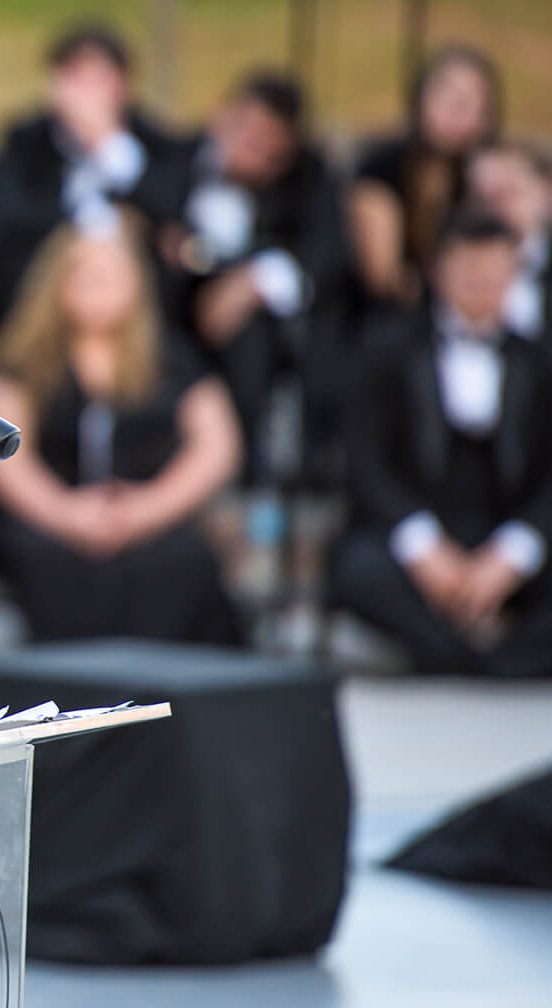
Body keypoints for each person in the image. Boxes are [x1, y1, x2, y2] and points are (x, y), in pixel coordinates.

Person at [0, 212, 243, 644]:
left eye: (109, 270)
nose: (96, 281)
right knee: (42, 558)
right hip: (49, 521)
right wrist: (65, 513)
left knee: (184, 560)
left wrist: (146, 509)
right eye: (83, 269)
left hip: (154, 518)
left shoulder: (173, 356)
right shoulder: (22, 362)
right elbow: (3, 453)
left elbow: (217, 446)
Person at [332, 211, 552, 677]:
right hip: (419, 528)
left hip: (504, 531)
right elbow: (366, 460)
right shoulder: (385, 348)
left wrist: (512, 554)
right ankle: (480, 655)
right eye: (468, 270)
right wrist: (424, 547)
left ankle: (476, 651)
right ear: (438, 270)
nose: (481, 284)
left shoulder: (539, 360)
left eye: (493, 273)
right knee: (359, 571)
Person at [157, 70, 351, 484]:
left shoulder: (308, 178)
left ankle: (253, 475)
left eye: (269, 150)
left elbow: (328, 256)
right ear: (222, 117)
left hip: (259, 337)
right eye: (247, 136)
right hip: (170, 318)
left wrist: (254, 283)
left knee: (256, 340)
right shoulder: (174, 161)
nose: (254, 154)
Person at [0, 21, 183, 345]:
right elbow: (12, 222)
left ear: (123, 85)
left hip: (142, 320)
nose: (86, 95)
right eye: (75, 78)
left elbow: (173, 212)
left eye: (97, 80)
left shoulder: (158, 146)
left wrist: (107, 145)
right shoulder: (21, 143)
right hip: (36, 309)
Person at [350, 44, 501, 310]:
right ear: (421, 99)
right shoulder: (382, 166)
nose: (456, 113)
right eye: (448, 98)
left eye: (469, 103)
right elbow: (384, 277)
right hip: (387, 318)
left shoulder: (484, 174)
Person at [466, 139, 551, 342]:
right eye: (485, 199)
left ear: (547, 193)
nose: (498, 208)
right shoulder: (448, 274)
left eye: (512, 193)